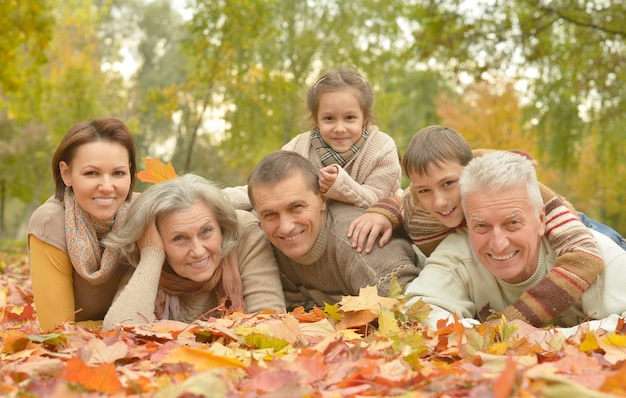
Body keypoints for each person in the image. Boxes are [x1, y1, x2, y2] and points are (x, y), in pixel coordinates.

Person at [349, 125, 609, 327]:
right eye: (425, 190)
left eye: (450, 184)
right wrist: (383, 212)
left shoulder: (526, 197)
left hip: (575, 227)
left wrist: (510, 322)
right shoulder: (417, 205)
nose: (439, 201)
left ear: (470, 172)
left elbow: (585, 255)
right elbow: (405, 199)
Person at [403, 150, 626, 328]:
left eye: (512, 224)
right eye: (481, 226)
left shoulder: (595, 252)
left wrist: (552, 339)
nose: (498, 244)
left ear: (541, 220)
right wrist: (490, 334)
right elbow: (418, 309)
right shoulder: (457, 251)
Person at [102, 173, 285, 329]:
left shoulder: (245, 235)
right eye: (179, 238)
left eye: (206, 231)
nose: (198, 251)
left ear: (222, 226)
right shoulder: (153, 261)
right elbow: (117, 331)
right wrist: (152, 255)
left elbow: (271, 323)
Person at [246, 150, 419, 310]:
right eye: (270, 214)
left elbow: (415, 310)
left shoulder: (357, 241)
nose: (286, 227)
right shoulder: (260, 247)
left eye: (296, 207)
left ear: (322, 199)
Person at [224, 68, 402, 210]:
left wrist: (341, 185)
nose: (339, 128)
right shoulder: (299, 147)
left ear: (365, 118)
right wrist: (217, 199)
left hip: (371, 230)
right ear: (316, 119)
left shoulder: (382, 148)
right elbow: (270, 187)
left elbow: (378, 201)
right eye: (329, 119)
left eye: (349, 118)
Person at [28, 118, 137, 331]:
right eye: (91, 173)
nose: (107, 187)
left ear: (130, 173)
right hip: (78, 357)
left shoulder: (144, 214)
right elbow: (57, 332)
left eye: (118, 173)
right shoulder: (50, 223)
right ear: (66, 173)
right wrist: (133, 325)